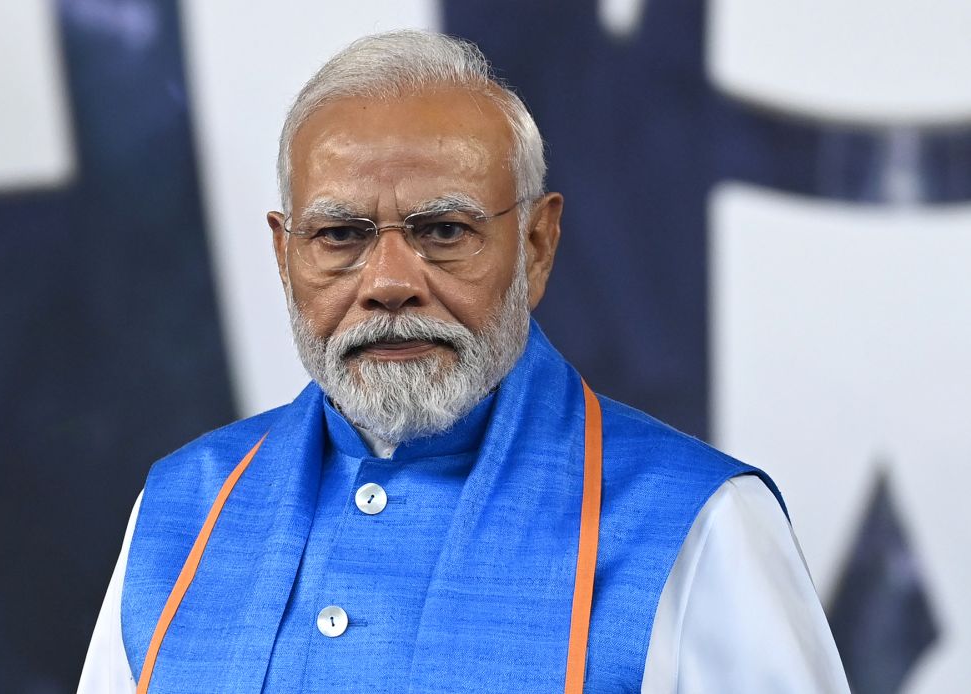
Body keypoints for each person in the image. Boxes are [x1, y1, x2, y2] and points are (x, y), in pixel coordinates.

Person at [78, 30, 849, 693]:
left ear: (537, 247)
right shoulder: (179, 512)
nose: (388, 284)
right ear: (285, 255)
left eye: (444, 231)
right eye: (340, 236)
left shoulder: (696, 525)